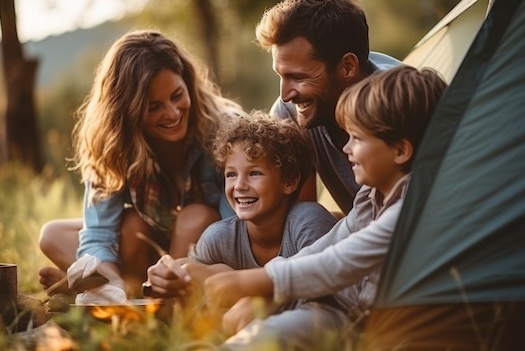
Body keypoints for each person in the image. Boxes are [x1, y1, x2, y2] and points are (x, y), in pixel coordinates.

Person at [204, 65, 448, 350]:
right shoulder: (372, 196)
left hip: (385, 330)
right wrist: (267, 292)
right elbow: (326, 247)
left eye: (357, 138)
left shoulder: (413, 209)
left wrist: (254, 282)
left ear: (400, 150)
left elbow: (339, 263)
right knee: (256, 339)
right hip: (341, 313)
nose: (346, 149)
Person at [38, 29, 245, 297]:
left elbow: (237, 230)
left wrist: (188, 268)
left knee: (195, 216)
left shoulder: (224, 129)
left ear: (188, 83)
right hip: (149, 248)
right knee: (54, 234)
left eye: (177, 95)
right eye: (153, 106)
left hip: (202, 251)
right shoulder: (114, 144)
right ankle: (122, 290)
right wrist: (112, 283)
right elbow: (99, 234)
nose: (172, 113)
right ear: (128, 111)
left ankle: (165, 301)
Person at [144, 111, 336, 304]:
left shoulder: (309, 222)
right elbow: (189, 277)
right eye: (231, 175)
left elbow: (325, 294)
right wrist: (172, 276)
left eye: (254, 173)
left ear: (289, 181)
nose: (239, 186)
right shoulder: (219, 237)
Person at [256, 0, 401, 215]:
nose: (285, 95)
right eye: (281, 76)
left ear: (348, 67)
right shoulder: (289, 114)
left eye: (298, 76)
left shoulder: (403, 107)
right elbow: (298, 218)